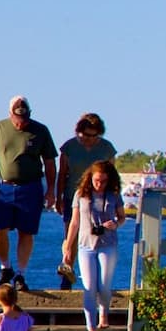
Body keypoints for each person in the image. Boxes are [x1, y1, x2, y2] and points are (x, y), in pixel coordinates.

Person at [0, 96, 59, 289]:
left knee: (26, 232)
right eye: (18, 119)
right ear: (10, 114)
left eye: (25, 118)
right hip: (4, 187)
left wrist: (51, 191)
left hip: (30, 187)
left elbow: (49, 162)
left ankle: (21, 274)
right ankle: (6, 267)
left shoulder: (40, 131)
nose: (21, 123)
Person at [62, 160, 124, 331]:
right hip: (85, 246)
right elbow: (74, 222)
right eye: (97, 180)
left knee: (104, 285)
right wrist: (67, 245)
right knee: (89, 288)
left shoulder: (113, 195)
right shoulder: (80, 195)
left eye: (103, 181)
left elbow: (122, 217)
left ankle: (104, 312)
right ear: (90, 178)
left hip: (108, 244)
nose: (99, 184)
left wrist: (116, 224)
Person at [56, 113, 116, 290]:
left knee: (97, 235)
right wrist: (58, 197)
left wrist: (113, 201)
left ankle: (96, 278)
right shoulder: (69, 147)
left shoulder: (107, 149)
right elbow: (62, 174)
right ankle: (67, 269)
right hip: (72, 196)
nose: (90, 139)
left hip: (97, 199)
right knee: (70, 235)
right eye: (86, 135)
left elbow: (112, 176)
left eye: (94, 135)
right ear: (79, 132)